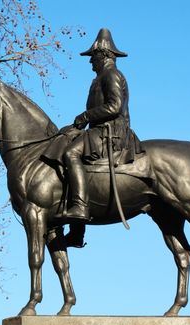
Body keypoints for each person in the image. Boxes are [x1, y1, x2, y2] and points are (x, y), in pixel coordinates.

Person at [62, 28, 143, 239]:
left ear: (104, 55)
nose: (90, 62)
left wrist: (85, 116)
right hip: (98, 131)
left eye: (93, 57)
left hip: (111, 133)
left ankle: (80, 207)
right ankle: (76, 230)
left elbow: (114, 106)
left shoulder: (112, 75)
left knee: (70, 154)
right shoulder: (100, 77)